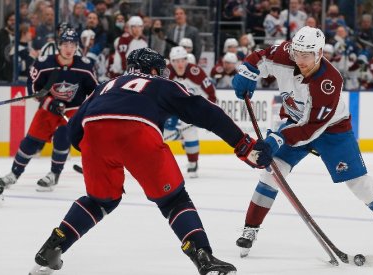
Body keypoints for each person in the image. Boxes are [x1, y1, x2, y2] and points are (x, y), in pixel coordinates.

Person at [28, 47, 272, 275]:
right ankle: (202, 255)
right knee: (174, 200)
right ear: (154, 70)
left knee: (98, 201)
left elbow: (74, 132)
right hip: (139, 134)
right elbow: (206, 112)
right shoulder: (160, 84)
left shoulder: (105, 86)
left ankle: (55, 244)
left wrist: (100, 152)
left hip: (93, 134)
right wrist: (244, 145)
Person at [231, 26, 373, 258]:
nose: (300, 59)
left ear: (319, 53)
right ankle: (250, 228)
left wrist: (276, 139)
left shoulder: (329, 82)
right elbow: (259, 57)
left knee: (361, 185)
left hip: (331, 130)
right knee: (271, 174)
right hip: (294, 122)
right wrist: (247, 72)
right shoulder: (287, 53)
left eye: (306, 55)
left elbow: (310, 129)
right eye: (297, 53)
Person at [0, 29, 97, 199]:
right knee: (31, 141)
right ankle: (14, 174)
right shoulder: (44, 63)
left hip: (72, 110)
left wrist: (87, 110)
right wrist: (50, 102)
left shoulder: (85, 66)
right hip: (48, 108)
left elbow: (94, 91)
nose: (69, 48)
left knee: (63, 138)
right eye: (65, 44)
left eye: (72, 44)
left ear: (77, 47)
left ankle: (54, 175)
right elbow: (33, 89)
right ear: (59, 45)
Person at [165, 46, 217, 178]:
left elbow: (210, 93)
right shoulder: (165, 73)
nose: (180, 64)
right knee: (164, 132)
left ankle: (193, 163)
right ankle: (179, 137)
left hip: (192, 109)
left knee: (190, 133)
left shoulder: (196, 72)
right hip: (171, 108)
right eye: (176, 61)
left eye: (182, 60)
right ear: (171, 61)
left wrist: (208, 111)